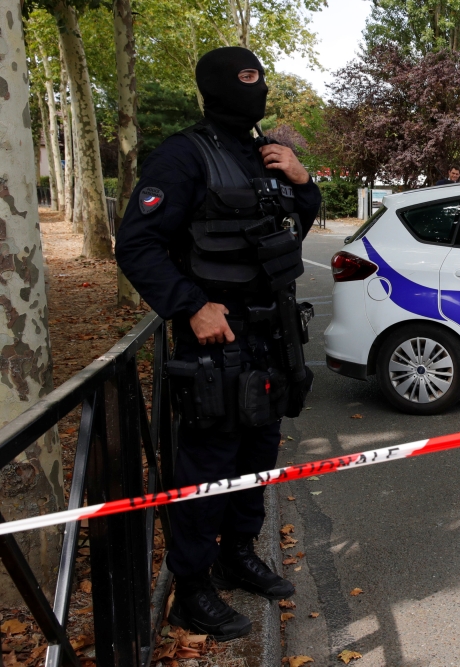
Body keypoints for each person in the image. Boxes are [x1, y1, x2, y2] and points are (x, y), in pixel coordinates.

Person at [115, 47, 321, 641]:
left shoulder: (265, 156)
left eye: (261, 79)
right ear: (217, 86)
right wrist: (190, 306)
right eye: (247, 79)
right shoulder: (184, 155)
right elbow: (137, 245)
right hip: (217, 345)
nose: (257, 90)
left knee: (255, 460)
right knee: (207, 468)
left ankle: (239, 554)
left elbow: (288, 234)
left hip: (270, 339)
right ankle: (192, 588)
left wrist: (303, 183)